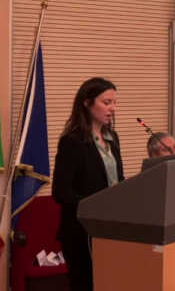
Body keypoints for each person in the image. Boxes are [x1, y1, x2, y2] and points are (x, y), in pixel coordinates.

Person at [52, 77, 124, 291]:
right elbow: (61, 192)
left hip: (111, 228)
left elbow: (117, 181)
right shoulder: (72, 141)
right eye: (106, 102)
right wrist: (94, 206)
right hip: (81, 232)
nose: (112, 108)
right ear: (87, 103)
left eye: (114, 102)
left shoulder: (113, 138)